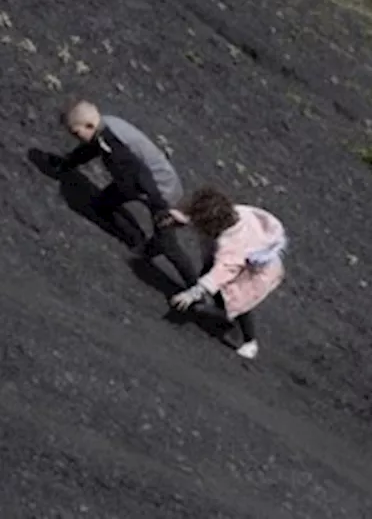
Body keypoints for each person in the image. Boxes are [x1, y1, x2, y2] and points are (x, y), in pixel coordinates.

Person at [48, 100, 200, 290]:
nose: (75, 138)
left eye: (76, 133)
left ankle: (196, 288)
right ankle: (143, 244)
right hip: (144, 183)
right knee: (104, 203)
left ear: (89, 125)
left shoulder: (112, 142)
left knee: (168, 243)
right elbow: (92, 149)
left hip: (159, 191)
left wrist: (155, 205)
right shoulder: (107, 126)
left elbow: (138, 175)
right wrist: (68, 162)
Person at [170, 186, 288, 360]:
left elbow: (221, 272)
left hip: (255, 276)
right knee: (211, 277)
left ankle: (250, 342)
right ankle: (221, 310)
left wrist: (193, 293)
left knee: (240, 301)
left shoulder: (231, 246)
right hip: (250, 264)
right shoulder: (239, 214)